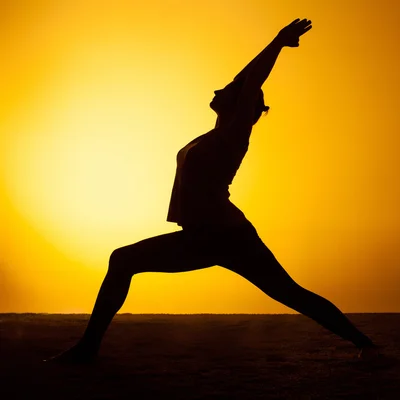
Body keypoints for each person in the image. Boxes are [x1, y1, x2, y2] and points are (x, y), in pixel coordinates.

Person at [48, 19, 377, 364]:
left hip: (223, 235)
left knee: (125, 260)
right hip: (212, 234)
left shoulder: (233, 136)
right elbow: (243, 81)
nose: (219, 89)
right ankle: (365, 344)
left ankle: (87, 349)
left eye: (228, 90)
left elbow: (250, 83)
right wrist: (267, 53)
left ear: (239, 106)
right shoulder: (214, 133)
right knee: (289, 293)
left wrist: (278, 43)